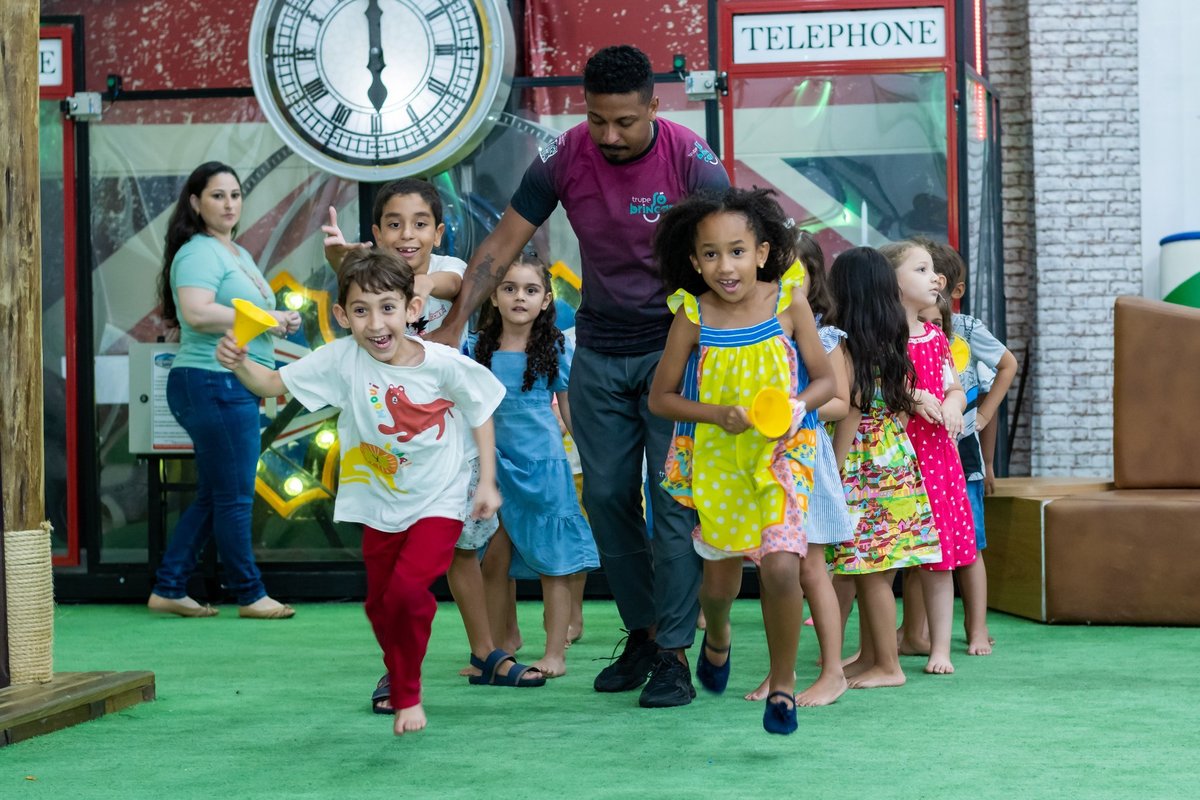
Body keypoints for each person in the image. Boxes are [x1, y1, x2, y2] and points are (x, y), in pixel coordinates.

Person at [428, 44, 730, 708]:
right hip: (597, 350)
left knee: (673, 504)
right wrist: (454, 325)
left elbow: (739, 252)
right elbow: (504, 242)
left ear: (654, 107)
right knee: (607, 500)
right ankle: (645, 634)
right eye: (598, 120)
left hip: (674, 353)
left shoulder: (689, 159)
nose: (611, 135)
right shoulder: (565, 156)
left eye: (625, 121)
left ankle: (677, 652)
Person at [216, 248, 508, 735]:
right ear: (341, 315)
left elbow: (481, 411)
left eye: (388, 308)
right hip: (376, 502)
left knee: (409, 592)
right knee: (379, 604)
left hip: (440, 497)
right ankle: (399, 673)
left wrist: (488, 483)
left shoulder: (442, 363)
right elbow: (268, 383)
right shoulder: (341, 359)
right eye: (360, 310)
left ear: (411, 310)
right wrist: (240, 361)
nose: (376, 323)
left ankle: (407, 694)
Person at [321, 180, 544, 713]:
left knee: (465, 548)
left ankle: (486, 653)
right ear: (375, 231)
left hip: (451, 447)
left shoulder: (448, 270)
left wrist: (360, 264)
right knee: (396, 568)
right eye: (393, 224)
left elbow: (440, 284)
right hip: (389, 453)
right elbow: (361, 301)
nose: (407, 234)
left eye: (420, 224)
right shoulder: (367, 282)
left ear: (439, 232)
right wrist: (344, 267)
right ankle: (393, 671)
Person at [649, 187, 836, 734]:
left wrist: (798, 406)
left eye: (736, 251)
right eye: (710, 254)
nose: (724, 266)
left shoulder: (788, 300)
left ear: (761, 251)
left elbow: (825, 380)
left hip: (783, 453)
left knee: (783, 564)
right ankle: (719, 631)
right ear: (693, 261)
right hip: (718, 458)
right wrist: (715, 414)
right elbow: (662, 398)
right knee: (719, 583)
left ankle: (783, 686)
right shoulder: (692, 313)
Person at [148, 161, 300, 620]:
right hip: (212, 381)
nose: (229, 203)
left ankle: (169, 587)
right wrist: (269, 320)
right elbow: (195, 313)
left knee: (216, 495)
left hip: (227, 382)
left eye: (235, 194)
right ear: (195, 203)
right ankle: (250, 594)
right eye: (218, 195)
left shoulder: (234, 252)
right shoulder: (198, 251)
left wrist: (280, 323)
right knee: (234, 496)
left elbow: (248, 317)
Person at [470, 255, 600, 677]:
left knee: (553, 563)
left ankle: (555, 654)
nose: (519, 297)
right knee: (494, 559)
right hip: (497, 467)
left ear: (546, 300)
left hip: (543, 468)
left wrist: (593, 459)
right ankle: (499, 646)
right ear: (494, 296)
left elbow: (570, 408)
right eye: (509, 288)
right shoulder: (477, 348)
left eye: (530, 290)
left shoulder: (557, 348)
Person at [744, 230, 854, 705]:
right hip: (766, 460)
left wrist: (792, 406)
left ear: (813, 279)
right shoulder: (759, 328)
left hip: (807, 459)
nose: (789, 281)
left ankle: (833, 671)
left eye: (800, 272)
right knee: (776, 567)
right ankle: (779, 671)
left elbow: (841, 400)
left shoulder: (825, 335)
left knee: (811, 568)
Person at [826, 246, 942, 689]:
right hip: (894, 458)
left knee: (869, 570)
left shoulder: (848, 343)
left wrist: (835, 471)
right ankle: (873, 656)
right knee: (877, 567)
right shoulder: (890, 338)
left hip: (863, 463)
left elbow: (851, 411)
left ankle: (889, 667)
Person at [881, 240, 977, 676]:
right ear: (893, 284)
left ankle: (940, 646)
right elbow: (875, 392)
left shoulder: (936, 336)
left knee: (940, 561)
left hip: (938, 458)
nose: (933, 279)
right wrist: (910, 395)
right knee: (885, 561)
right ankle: (879, 648)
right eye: (921, 270)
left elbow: (953, 386)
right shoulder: (883, 338)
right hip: (896, 459)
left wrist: (955, 403)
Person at [918, 236, 1018, 655]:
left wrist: (984, 415)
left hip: (962, 453)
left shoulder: (966, 329)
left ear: (945, 287)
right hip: (922, 452)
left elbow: (1007, 364)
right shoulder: (905, 331)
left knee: (970, 544)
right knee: (922, 545)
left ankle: (976, 627)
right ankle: (916, 631)